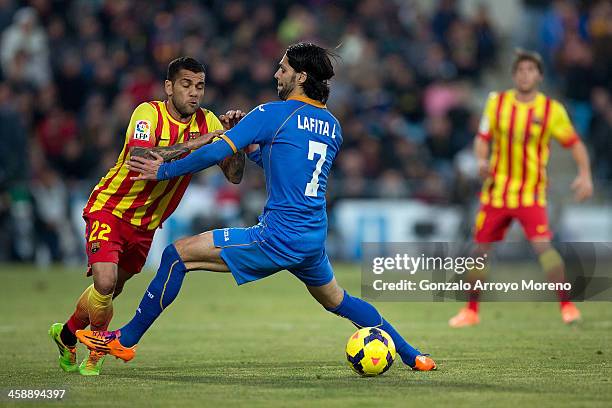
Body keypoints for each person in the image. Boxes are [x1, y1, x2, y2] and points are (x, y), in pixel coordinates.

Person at [76, 43, 437, 372]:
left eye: (282, 69)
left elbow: (218, 151)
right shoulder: (332, 126)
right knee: (338, 300)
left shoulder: (272, 113)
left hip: (277, 235)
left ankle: (123, 339)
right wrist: (251, 147)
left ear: (300, 76)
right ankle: (412, 355)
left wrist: (166, 169)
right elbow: (284, 162)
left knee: (177, 255)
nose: (275, 74)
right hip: (311, 237)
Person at [49, 56, 246, 376]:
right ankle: (95, 353)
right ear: (169, 87)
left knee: (112, 290)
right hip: (111, 208)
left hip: (146, 225)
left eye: (200, 86)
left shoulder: (209, 121)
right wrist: (202, 142)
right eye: (186, 85)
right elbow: (140, 158)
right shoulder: (147, 113)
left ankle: (67, 334)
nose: (194, 93)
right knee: (105, 281)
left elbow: (234, 176)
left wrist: (235, 140)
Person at [448, 49, 593, 328]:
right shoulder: (497, 103)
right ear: (513, 75)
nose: (525, 74)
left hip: (531, 193)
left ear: (539, 75)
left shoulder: (552, 110)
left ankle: (567, 306)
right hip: (496, 193)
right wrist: (480, 159)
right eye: (520, 70)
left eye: (531, 70)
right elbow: (482, 137)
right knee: (480, 251)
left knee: (543, 247)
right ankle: (471, 310)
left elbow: (574, 143)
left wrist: (585, 175)